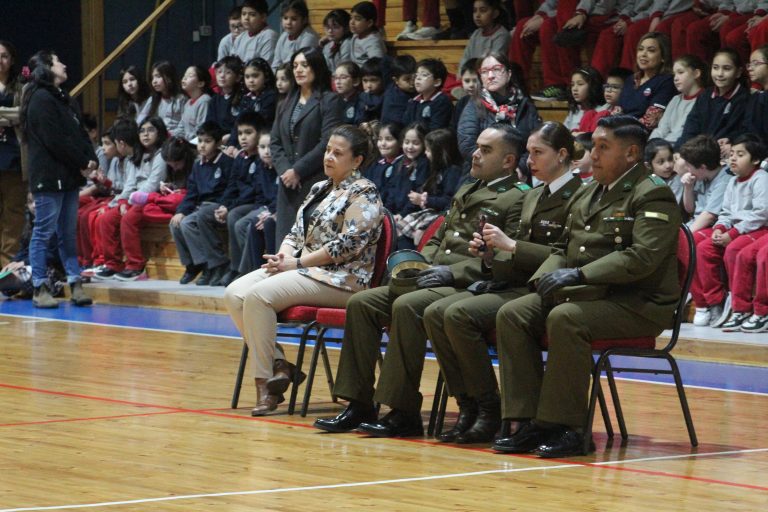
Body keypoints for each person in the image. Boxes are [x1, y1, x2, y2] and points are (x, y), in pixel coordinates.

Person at [313, 123, 530, 436]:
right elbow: (438, 236)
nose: (475, 154)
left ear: (508, 161)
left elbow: (501, 258)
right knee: (362, 303)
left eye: (486, 150)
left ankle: (402, 410)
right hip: (434, 276)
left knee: (408, 305)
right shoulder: (468, 188)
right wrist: (421, 262)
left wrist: (450, 272)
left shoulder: (517, 198)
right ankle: (358, 403)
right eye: (477, 147)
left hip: (466, 284)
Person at [492, 115, 682, 458]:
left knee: (567, 317)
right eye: (593, 146)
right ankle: (525, 418)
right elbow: (564, 250)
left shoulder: (653, 194)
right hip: (591, 295)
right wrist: (540, 284)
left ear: (631, 153)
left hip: (638, 304)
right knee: (514, 312)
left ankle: (569, 428)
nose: (592, 155)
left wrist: (580, 276)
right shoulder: (590, 192)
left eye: (603, 147)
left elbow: (642, 258)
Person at [425, 122, 585, 444]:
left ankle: (508, 415)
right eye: (528, 153)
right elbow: (514, 255)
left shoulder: (579, 196)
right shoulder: (535, 194)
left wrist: (510, 247)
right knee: (439, 312)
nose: (530, 160)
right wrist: (487, 256)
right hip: (517, 284)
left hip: (553, 289)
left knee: (464, 314)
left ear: (562, 154)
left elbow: (568, 254)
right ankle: (474, 406)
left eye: (537, 152)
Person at [224, 125, 383, 416]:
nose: (329, 157)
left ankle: (265, 386)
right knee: (234, 293)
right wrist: (281, 258)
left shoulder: (365, 192)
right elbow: (297, 233)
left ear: (357, 160)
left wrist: (295, 264)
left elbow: (346, 246)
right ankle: (279, 366)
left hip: (343, 279)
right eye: (327, 150)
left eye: (338, 153)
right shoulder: (319, 188)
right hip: (305, 269)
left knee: (258, 297)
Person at [20, 50, 97, 308]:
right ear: (46, 68)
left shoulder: (65, 98)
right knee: (43, 231)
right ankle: (39, 286)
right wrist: (82, 163)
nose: (64, 64)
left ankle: (75, 283)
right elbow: (56, 141)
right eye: (58, 60)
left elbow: (78, 133)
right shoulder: (40, 98)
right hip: (48, 176)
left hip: (69, 176)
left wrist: (91, 157)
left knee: (67, 232)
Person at [691, 134, 768, 330]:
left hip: (758, 228)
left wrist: (733, 233)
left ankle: (741, 307)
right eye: (732, 153)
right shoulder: (733, 181)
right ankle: (715, 301)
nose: (733, 158)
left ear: (756, 160)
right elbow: (725, 212)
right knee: (703, 249)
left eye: (740, 154)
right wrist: (720, 228)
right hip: (735, 229)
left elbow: (761, 214)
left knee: (736, 250)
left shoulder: (761, 179)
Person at [271, 47, 344, 245]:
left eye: (305, 65)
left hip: (316, 180)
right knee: (285, 244)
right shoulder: (285, 102)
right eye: (295, 66)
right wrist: (286, 171)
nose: (298, 70)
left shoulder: (330, 100)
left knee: (311, 242)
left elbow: (328, 143)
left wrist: (298, 170)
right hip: (288, 184)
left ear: (317, 67)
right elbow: (275, 142)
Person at [457, 52, 541, 163]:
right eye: (485, 72)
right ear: (481, 77)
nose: (490, 76)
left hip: (519, 173)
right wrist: (498, 167)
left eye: (496, 69)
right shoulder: (474, 105)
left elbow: (536, 143)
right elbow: (467, 145)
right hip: (483, 172)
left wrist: (520, 167)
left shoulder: (525, 104)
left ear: (509, 74)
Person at [617, 32, 677, 131]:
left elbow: (650, 122)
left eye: (651, 50)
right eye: (640, 49)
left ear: (663, 57)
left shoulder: (667, 81)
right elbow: (617, 111)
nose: (643, 54)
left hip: (641, 134)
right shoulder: (631, 79)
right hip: (619, 131)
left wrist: (619, 130)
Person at [0, 40, 25, 268]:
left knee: (13, 215)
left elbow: (23, 114)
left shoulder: (20, 86)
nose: (0, 61)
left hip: (14, 158)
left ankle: (8, 269)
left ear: (12, 60)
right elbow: (13, 115)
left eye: (4, 56)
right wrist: (8, 116)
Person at [649, 54, 706, 146]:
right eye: (674, 74)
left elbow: (685, 133)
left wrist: (664, 147)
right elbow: (662, 128)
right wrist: (652, 145)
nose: (675, 78)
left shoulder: (705, 100)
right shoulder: (675, 99)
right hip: (664, 147)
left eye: (680, 72)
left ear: (696, 74)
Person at [138, 61, 185, 136]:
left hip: (175, 139)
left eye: (158, 76)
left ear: (169, 78)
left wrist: (170, 135)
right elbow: (140, 120)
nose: (154, 81)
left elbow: (184, 126)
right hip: (157, 137)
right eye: (153, 77)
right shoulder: (153, 99)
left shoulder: (181, 99)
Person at [272, 1, 320, 71]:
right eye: (285, 18)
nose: (288, 22)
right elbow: (276, 64)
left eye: (294, 19)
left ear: (304, 20)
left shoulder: (309, 37)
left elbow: (300, 65)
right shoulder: (283, 36)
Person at [231, 0, 277, 66]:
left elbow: (265, 66)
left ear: (263, 17)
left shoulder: (269, 35)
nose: (246, 18)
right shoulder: (240, 37)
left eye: (252, 15)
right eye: (243, 14)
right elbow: (232, 64)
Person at [179, 65, 212, 142]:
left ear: (200, 83)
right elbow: (181, 126)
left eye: (190, 75)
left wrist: (185, 139)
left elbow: (201, 130)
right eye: (184, 75)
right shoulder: (187, 103)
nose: (184, 78)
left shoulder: (204, 101)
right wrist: (178, 137)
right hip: (185, 142)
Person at [349, 2, 387, 66]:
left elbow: (376, 66)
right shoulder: (356, 34)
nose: (352, 22)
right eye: (351, 18)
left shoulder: (373, 42)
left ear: (369, 23)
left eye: (357, 19)